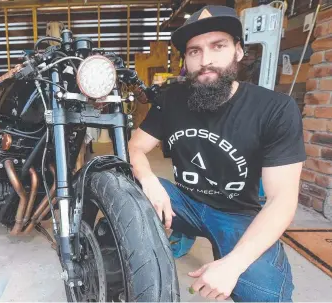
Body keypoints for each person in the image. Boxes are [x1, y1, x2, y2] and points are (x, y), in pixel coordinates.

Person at [128, 5, 306, 302]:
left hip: (236, 214)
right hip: (183, 203)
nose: (206, 60)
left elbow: (282, 199)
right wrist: (148, 180)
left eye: (218, 46)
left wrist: (232, 265)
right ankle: (181, 229)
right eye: (194, 51)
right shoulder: (172, 98)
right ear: (186, 59)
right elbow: (136, 146)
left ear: (238, 50)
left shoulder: (275, 109)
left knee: (266, 298)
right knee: (122, 181)